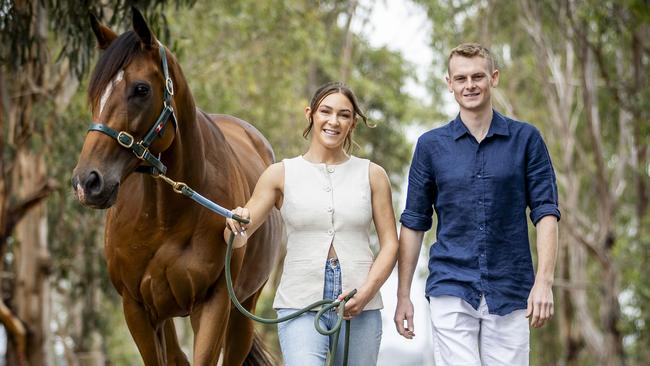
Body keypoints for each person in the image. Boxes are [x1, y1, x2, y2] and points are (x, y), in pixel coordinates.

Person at [394, 43, 560, 365]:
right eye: (461, 78)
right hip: (451, 285)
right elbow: (414, 223)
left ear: (493, 78)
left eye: (477, 76)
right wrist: (404, 295)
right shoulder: (430, 146)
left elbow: (546, 213)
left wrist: (544, 282)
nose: (469, 85)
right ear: (449, 83)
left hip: (511, 288)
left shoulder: (527, 140)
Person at [225, 81, 398, 366]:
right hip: (300, 302)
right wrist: (235, 225)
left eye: (343, 114)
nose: (334, 121)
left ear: (353, 123)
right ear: (310, 114)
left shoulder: (373, 174)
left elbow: (390, 244)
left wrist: (366, 293)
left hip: (360, 302)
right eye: (326, 112)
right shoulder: (279, 174)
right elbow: (241, 234)